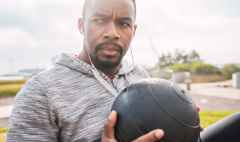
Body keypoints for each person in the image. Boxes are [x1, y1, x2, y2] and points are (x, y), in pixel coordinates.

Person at [6, 0, 165, 141]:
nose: (112, 33)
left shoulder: (142, 78)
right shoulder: (40, 92)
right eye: (100, 20)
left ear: (133, 30)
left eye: (124, 23)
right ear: (81, 26)